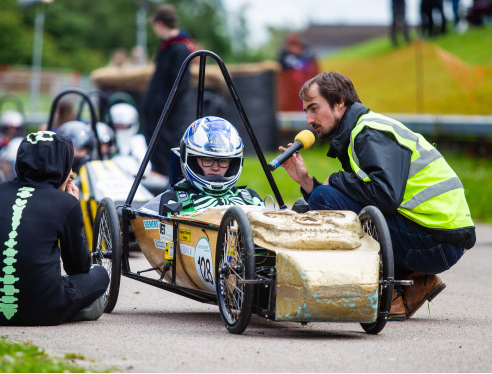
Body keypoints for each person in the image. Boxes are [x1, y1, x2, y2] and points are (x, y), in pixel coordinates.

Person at [278, 71, 475, 320]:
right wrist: (306, 182)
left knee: (323, 199)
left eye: (314, 108)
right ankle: (412, 281)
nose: (308, 119)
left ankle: (389, 290)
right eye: (306, 110)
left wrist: (335, 181)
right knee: (318, 199)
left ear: (339, 102)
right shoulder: (361, 131)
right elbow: (366, 196)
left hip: (437, 242)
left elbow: (384, 197)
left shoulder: (370, 132)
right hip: (434, 236)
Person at [0, 131, 110, 326]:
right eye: (68, 165)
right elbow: (78, 268)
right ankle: (72, 311)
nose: (71, 172)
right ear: (60, 166)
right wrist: (73, 206)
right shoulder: (66, 203)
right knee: (100, 274)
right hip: (46, 310)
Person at [159, 116, 263, 215]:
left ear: (233, 163)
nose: (215, 168)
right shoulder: (174, 199)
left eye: (223, 161)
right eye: (208, 160)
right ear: (193, 161)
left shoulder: (251, 198)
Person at [140, 4, 195, 177]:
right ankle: (158, 170)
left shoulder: (179, 49)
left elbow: (181, 85)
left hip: (168, 114)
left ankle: (165, 174)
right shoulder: (166, 46)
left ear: (160, 24)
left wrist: (164, 107)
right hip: (156, 110)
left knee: (166, 143)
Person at [277, 33, 320, 112]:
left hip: (306, 92)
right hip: (288, 97)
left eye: (296, 44)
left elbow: (315, 72)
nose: (294, 48)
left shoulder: (308, 56)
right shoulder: (283, 59)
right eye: (291, 45)